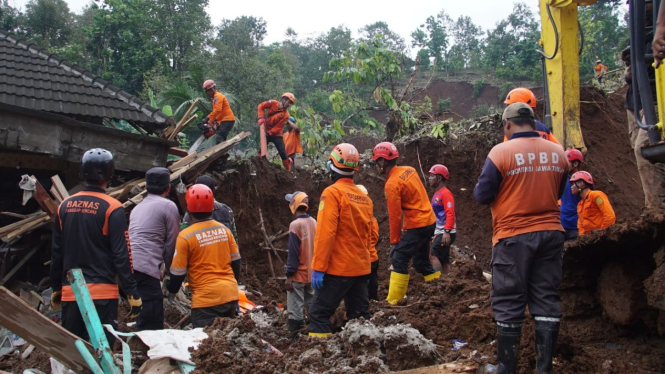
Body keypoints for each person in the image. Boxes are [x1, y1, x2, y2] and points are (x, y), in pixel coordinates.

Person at [474, 103, 569, 374]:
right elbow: (558, 191)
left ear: (507, 124)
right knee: (546, 297)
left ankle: (507, 368)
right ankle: (544, 368)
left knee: (508, 299)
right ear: (533, 122)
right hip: (551, 233)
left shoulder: (500, 152)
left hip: (513, 236)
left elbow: (482, 196)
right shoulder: (558, 152)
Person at [51, 148, 142, 342]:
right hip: (102, 295)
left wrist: (56, 287)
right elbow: (121, 254)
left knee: (76, 354)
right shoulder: (112, 208)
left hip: (72, 292)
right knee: (101, 355)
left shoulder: (64, 206)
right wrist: (131, 291)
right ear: (110, 173)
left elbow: (57, 252)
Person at [308, 143, 373, 337]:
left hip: (339, 269)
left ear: (331, 165)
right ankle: (367, 356)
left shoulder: (332, 193)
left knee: (318, 314)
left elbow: (325, 233)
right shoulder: (365, 198)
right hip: (360, 269)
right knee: (360, 316)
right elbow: (368, 235)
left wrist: (319, 267)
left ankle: (320, 361)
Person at [372, 142, 440, 306]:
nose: (375, 165)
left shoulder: (392, 184)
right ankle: (440, 290)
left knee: (399, 258)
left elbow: (395, 216)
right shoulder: (410, 170)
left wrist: (394, 242)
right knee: (421, 262)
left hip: (418, 225)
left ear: (382, 162)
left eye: (376, 162)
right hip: (429, 221)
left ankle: (393, 302)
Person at [166, 184, 241, 328]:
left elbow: (177, 274)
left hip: (205, 301)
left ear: (188, 208)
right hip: (230, 296)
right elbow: (236, 262)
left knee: (205, 345)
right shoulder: (224, 230)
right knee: (228, 342)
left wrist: (171, 292)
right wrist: (232, 285)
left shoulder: (185, 236)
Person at [128, 167, 180, 330]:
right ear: (168, 188)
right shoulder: (168, 206)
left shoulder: (138, 207)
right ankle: (148, 350)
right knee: (153, 312)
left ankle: (138, 341)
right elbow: (172, 242)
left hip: (128, 264)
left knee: (142, 306)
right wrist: (171, 271)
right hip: (145, 265)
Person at [284, 191, 317, 338]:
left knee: (295, 306)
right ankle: (316, 329)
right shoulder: (314, 222)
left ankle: (296, 336)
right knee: (311, 302)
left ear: (294, 205)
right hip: (312, 273)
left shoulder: (295, 225)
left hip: (298, 274)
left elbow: (293, 253)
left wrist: (289, 275)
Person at [182, 175, 237, 243]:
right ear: (214, 191)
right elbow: (234, 238)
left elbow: (184, 236)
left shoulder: (190, 213)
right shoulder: (227, 210)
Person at [427, 164, 456, 275]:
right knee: (443, 258)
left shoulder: (446, 194)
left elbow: (450, 213)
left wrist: (447, 231)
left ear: (439, 178)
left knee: (433, 254)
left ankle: (436, 281)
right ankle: (446, 280)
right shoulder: (437, 194)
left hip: (445, 232)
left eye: (432, 176)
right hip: (439, 232)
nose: (429, 178)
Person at [257, 93, 296, 171]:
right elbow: (261, 106)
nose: (289, 104)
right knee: (261, 150)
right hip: (266, 130)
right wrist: (261, 117)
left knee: (282, 152)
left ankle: (288, 170)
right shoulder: (273, 103)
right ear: (283, 99)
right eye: (288, 102)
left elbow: (278, 127)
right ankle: (257, 166)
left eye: (290, 103)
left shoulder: (286, 115)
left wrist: (269, 133)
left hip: (276, 135)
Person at [356, 184, 380, 301]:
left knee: (363, 286)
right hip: (372, 257)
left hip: (364, 259)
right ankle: (373, 302)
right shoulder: (372, 218)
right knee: (372, 283)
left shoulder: (361, 219)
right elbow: (375, 237)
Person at [560, 150, 584, 241]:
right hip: (562, 224)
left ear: (575, 164)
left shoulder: (584, 181)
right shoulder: (562, 179)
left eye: (567, 162)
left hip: (576, 226)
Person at [202, 79, 235, 144]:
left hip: (227, 120)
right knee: (219, 138)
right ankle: (223, 153)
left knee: (220, 137)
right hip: (223, 120)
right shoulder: (214, 98)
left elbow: (217, 110)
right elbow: (218, 113)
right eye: (207, 91)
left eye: (209, 90)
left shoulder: (218, 96)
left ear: (213, 88)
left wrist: (208, 118)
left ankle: (223, 152)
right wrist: (211, 121)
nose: (208, 93)